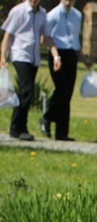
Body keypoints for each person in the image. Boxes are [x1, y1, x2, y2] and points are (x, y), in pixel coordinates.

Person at [1, 0, 61, 141]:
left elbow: (47, 37)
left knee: (26, 91)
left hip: (34, 57)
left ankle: (18, 127)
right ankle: (18, 128)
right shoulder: (18, 11)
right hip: (20, 54)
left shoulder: (42, 14)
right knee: (26, 90)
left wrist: (56, 56)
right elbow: (8, 36)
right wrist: (3, 56)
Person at [40, 0, 91, 141]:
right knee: (61, 89)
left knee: (67, 93)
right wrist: (56, 56)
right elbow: (44, 38)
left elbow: (75, 41)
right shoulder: (52, 15)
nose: (68, 2)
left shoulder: (77, 16)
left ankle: (62, 132)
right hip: (56, 53)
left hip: (71, 55)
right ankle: (47, 117)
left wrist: (83, 58)